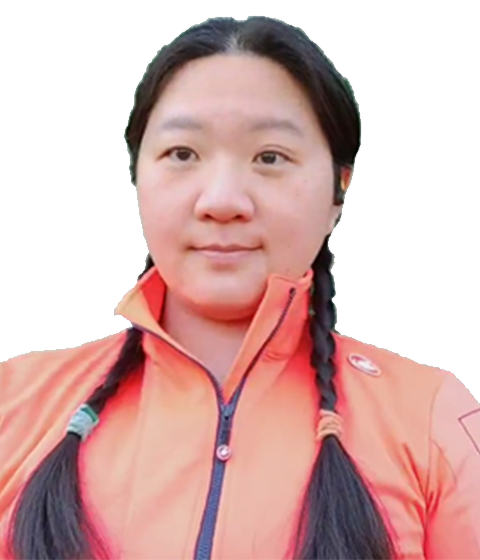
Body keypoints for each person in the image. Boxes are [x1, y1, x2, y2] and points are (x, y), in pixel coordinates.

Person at [0, 15, 479, 560]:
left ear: (339, 190)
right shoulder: (14, 402)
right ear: (137, 175)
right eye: (182, 154)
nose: (222, 200)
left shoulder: (431, 419)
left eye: (270, 158)